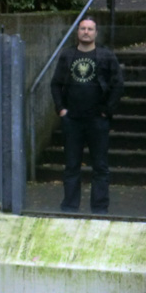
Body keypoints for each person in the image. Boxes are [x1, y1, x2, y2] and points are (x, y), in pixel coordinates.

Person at [50, 16, 123, 214]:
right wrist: (61, 109)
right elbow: (55, 83)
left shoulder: (106, 56)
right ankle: (69, 207)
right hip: (72, 120)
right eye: (83, 28)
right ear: (77, 32)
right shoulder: (67, 55)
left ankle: (99, 209)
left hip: (97, 120)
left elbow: (118, 84)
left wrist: (107, 110)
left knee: (100, 166)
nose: (86, 32)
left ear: (96, 33)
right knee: (71, 165)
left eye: (90, 29)